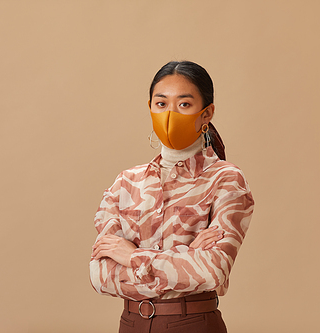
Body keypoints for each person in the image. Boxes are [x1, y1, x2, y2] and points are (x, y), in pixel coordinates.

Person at [90, 61, 254, 333]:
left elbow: (213, 271)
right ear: (150, 108)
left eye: (184, 104)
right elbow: (100, 276)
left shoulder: (225, 179)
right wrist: (190, 256)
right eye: (162, 104)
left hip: (193, 324)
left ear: (207, 113)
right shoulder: (126, 182)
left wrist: (132, 257)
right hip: (131, 325)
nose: (170, 114)